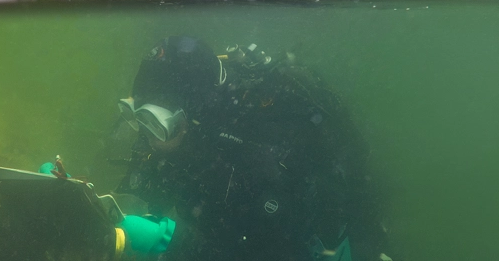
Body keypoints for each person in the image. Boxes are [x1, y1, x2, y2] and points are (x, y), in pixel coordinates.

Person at [113, 36, 392, 261]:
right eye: (136, 116)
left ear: (194, 119)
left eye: (155, 121)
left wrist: (168, 242)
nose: (146, 134)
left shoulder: (255, 158)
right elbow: (135, 198)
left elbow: (269, 250)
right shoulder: (172, 140)